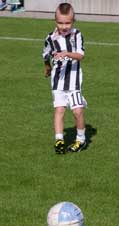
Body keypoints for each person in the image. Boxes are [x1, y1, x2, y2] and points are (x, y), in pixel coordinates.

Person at [42, 3, 87, 154]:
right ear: (55, 21)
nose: (64, 26)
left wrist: (66, 53)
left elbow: (81, 55)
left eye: (67, 22)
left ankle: (80, 140)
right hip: (57, 81)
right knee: (59, 110)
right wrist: (47, 66)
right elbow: (45, 54)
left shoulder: (77, 35)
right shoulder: (50, 38)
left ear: (73, 21)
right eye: (60, 22)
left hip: (73, 81)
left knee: (77, 111)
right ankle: (59, 140)